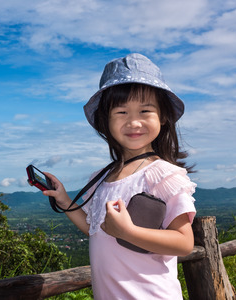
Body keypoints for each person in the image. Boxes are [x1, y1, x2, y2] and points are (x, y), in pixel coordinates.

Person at [43, 53, 196, 299]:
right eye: (122, 112)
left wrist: (128, 232)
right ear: (106, 120)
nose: (134, 122)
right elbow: (97, 230)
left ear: (163, 116)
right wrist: (64, 201)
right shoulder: (103, 176)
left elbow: (184, 243)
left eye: (145, 110)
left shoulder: (162, 174)